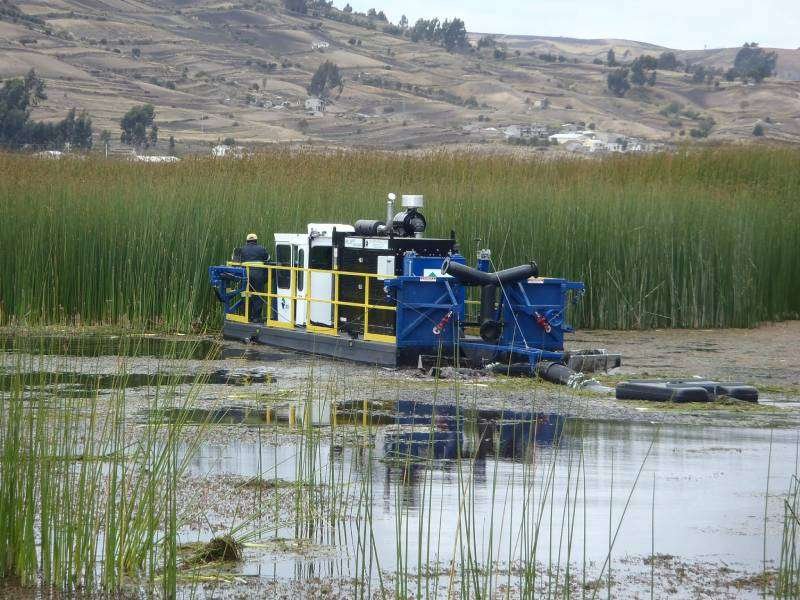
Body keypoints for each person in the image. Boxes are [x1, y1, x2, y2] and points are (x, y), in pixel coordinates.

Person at [232, 233, 270, 322]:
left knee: (245, 295)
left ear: (247, 241)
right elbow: (268, 259)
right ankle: (256, 318)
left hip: (245, 276)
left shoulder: (241, 249)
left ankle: (246, 316)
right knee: (258, 296)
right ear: (256, 241)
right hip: (258, 276)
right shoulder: (262, 249)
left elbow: (235, 261)